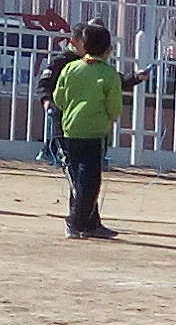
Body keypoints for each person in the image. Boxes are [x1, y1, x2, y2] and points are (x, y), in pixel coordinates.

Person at [48, 24, 127, 241]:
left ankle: (86, 223)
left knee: (80, 177)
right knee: (90, 181)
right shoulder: (108, 74)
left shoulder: (71, 69)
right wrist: (109, 118)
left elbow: (60, 98)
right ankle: (75, 222)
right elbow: (114, 106)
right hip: (94, 133)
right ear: (108, 50)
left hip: (71, 131)